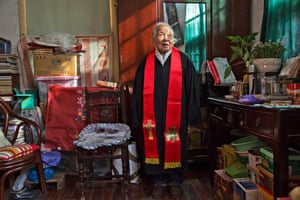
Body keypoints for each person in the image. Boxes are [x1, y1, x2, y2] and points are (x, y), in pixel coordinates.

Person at [133, 22, 201, 199]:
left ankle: (175, 181)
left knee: (174, 144)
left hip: (176, 118)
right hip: (152, 117)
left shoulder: (184, 61)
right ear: (154, 39)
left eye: (170, 36)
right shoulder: (145, 64)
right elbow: (138, 94)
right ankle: (159, 181)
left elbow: (192, 90)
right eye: (162, 35)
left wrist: (192, 115)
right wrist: (137, 116)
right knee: (154, 145)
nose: (166, 39)